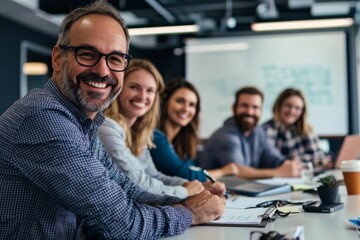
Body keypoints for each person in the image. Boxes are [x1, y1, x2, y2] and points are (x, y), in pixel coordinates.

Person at [0, 1, 225, 239]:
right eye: (87, 54)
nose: (102, 71)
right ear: (57, 58)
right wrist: (191, 210)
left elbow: (127, 189)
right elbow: (121, 224)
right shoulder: (43, 118)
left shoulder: (82, 123)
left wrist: (192, 200)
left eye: (115, 59)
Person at [98, 59, 209, 198]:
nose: (142, 96)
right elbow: (138, 184)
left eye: (150, 90)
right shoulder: (106, 128)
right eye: (134, 87)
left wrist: (186, 184)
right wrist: (185, 192)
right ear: (119, 88)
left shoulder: (138, 133)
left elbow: (153, 175)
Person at [198, 86, 302, 179]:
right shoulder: (225, 136)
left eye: (255, 107)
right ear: (234, 108)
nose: (249, 112)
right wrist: (278, 172)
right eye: (244, 106)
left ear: (260, 111)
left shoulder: (258, 131)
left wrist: (287, 164)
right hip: (214, 193)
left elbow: (271, 156)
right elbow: (237, 171)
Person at [150, 78, 238, 181]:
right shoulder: (155, 137)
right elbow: (186, 175)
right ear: (165, 102)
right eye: (180, 101)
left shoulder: (181, 142)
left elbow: (193, 169)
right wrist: (223, 171)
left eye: (192, 105)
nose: (186, 109)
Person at [261, 88, 332, 169]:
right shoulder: (266, 130)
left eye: (297, 108)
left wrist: (292, 161)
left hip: (307, 177)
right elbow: (270, 161)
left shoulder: (307, 130)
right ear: (279, 105)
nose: (292, 111)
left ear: (302, 112)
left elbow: (318, 157)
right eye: (288, 106)